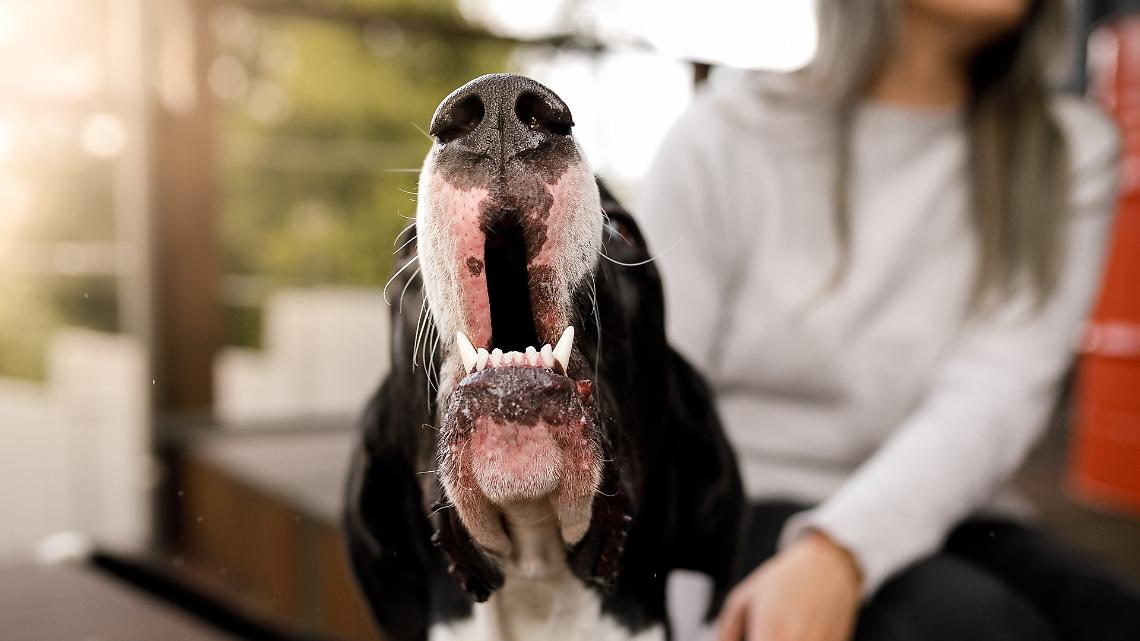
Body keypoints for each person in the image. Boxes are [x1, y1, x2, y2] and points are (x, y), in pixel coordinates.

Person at [638, 1, 1140, 640]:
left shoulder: (1066, 149)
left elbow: (998, 391)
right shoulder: (724, 134)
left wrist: (841, 548)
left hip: (950, 502)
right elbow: (656, 399)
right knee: (972, 625)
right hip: (743, 498)